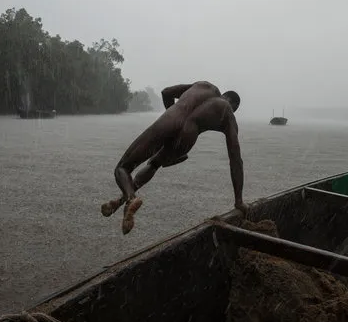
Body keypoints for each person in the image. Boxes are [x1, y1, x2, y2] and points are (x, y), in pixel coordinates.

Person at [101, 81, 247, 234]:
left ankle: (129, 197)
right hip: (187, 137)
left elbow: (166, 92)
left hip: (170, 118)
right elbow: (236, 159)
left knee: (123, 168)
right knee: (153, 165)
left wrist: (171, 119)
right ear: (234, 105)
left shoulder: (204, 86)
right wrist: (239, 201)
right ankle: (121, 201)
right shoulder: (227, 113)